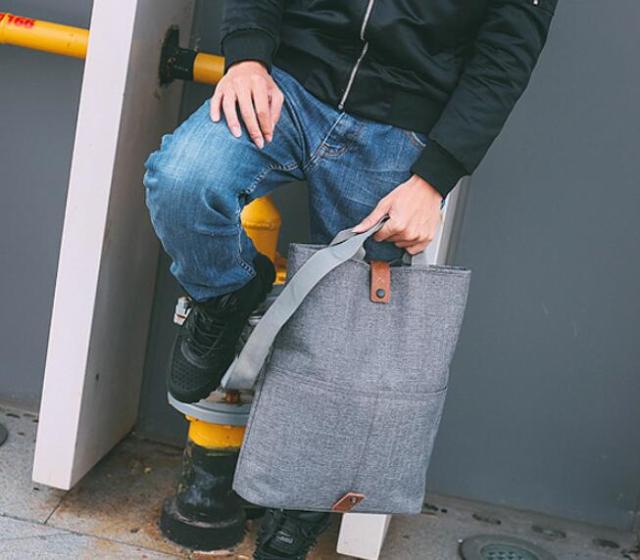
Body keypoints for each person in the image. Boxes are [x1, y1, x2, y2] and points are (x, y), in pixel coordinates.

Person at [143, 1, 557, 558]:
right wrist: (246, 59)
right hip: (288, 85)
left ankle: (305, 502)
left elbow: (505, 56)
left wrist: (435, 179)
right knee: (183, 182)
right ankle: (225, 296)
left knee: (358, 327)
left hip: (402, 123)